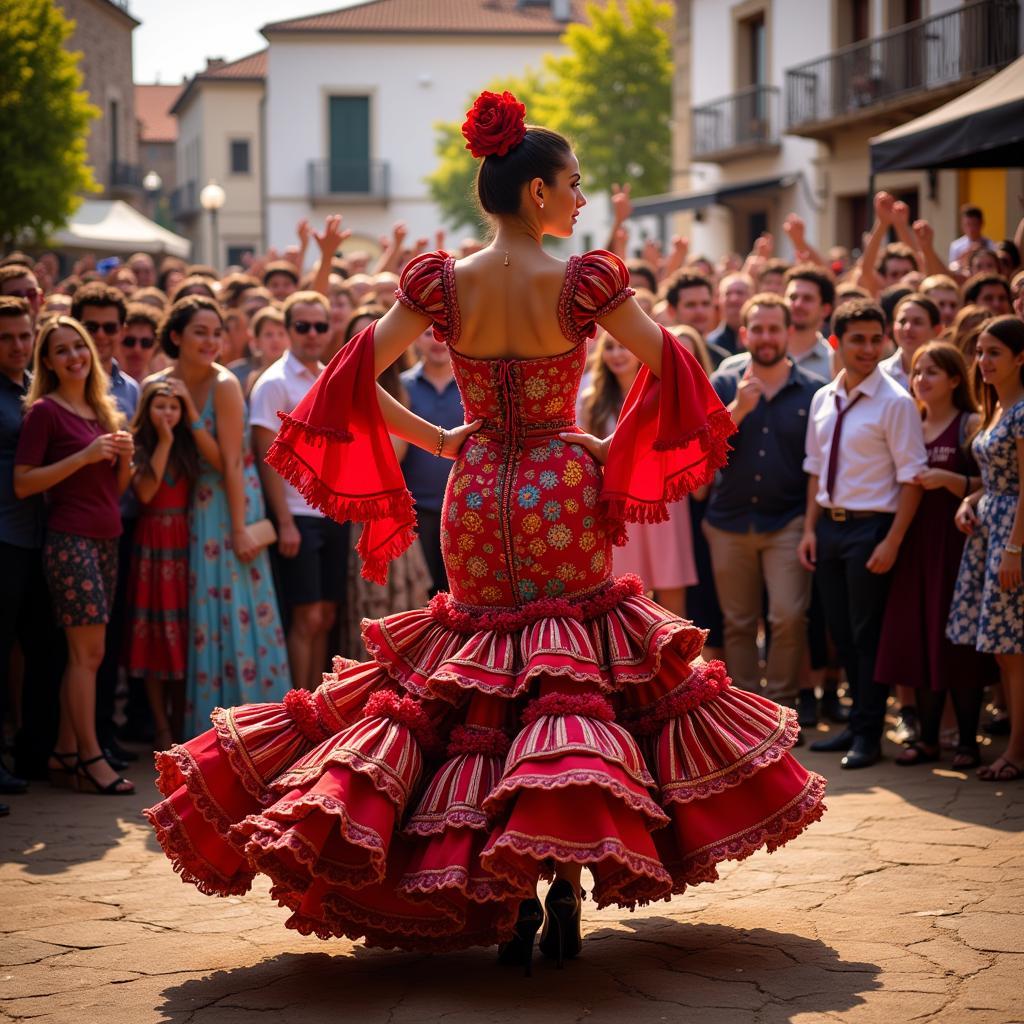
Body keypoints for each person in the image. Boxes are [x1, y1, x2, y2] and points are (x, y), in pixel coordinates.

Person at [144, 92, 825, 964]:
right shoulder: (582, 281)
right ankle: (563, 880)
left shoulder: (442, 281)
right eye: (572, 184)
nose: (580, 199)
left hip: (472, 491)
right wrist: (611, 445)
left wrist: (435, 437)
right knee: (565, 676)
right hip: (556, 487)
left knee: (481, 688)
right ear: (537, 192)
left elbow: (349, 378)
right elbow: (675, 364)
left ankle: (498, 888)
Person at [151, 296, 292, 737]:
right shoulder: (159, 383)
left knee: (239, 608)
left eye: (217, 332)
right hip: (190, 505)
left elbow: (229, 462)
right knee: (203, 609)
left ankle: (254, 726)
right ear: (176, 336)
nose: (211, 341)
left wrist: (238, 528)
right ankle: (203, 728)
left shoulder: (225, 383)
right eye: (200, 332)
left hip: (231, 500)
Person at [799, 299, 927, 769]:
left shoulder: (895, 402)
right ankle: (856, 725)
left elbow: (913, 477)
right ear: (837, 341)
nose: (869, 348)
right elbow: (815, 470)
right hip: (829, 530)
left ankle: (869, 734)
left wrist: (891, 540)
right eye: (858, 339)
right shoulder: (822, 398)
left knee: (867, 632)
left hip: (872, 529)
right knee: (841, 633)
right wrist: (810, 529)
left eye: (877, 339)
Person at [13, 317, 135, 795]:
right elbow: (24, 482)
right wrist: (84, 457)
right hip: (70, 540)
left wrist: (124, 457)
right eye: (61, 350)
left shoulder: (102, 408)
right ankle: (90, 758)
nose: (74, 357)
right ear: (47, 361)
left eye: (78, 347)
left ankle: (66, 751)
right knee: (88, 655)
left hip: (107, 537)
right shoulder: (43, 411)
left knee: (86, 655)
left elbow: (117, 489)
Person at [706, 293, 823, 714]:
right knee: (737, 623)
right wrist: (739, 408)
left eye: (775, 328)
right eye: (758, 329)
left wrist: (810, 526)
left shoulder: (814, 392)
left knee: (789, 617)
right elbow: (702, 448)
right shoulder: (722, 383)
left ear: (789, 332)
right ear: (744, 333)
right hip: (728, 521)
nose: (767, 337)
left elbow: (817, 468)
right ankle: (746, 711)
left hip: (788, 521)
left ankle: (781, 706)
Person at [874, 341, 988, 769]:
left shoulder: (970, 423)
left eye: (932, 372)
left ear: (956, 379)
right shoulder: (910, 420)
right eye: (917, 372)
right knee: (918, 638)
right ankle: (926, 739)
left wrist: (949, 480)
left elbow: (995, 482)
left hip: (956, 545)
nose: (920, 380)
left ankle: (967, 742)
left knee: (957, 642)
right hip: (913, 544)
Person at [250, 291, 350, 691]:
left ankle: (315, 708)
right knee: (305, 617)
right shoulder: (273, 382)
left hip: (331, 514)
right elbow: (266, 457)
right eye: (302, 326)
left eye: (320, 326)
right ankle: (297, 708)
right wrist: (285, 521)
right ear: (288, 329)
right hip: (296, 516)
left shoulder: (330, 376)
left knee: (325, 616)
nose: (312, 334)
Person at [948, 316, 1024, 781]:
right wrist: (971, 499)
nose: (983, 361)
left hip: (1011, 536)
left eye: (994, 352)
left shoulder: (1021, 411)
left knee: (1014, 651)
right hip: (991, 529)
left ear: (1020, 357)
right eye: (979, 352)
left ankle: (1017, 749)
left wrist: (1014, 549)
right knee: (1003, 652)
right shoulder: (997, 407)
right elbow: (1000, 479)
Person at [578, 330, 696, 616]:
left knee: (671, 582)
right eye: (610, 348)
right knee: (625, 590)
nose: (617, 354)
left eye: (624, 347)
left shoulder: (660, 390)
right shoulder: (590, 399)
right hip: (620, 503)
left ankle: (678, 654)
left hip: (662, 501)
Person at [124, 381, 199, 748]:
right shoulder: (139, 444)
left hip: (183, 545)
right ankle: (161, 726)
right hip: (151, 545)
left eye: (174, 406)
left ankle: (179, 718)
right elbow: (146, 492)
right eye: (160, 406)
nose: (167, 413)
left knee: (182, 634)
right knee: (152, 634)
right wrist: (164, 441)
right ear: (146, 409)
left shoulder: (189, 445)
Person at [0, 298, 49, 795]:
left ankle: (34, 755)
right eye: (6, 338)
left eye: (23, 336)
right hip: (4, 536)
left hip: (39, 537)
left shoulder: (35, 387)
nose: (17, 346)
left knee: (40, 650)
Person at [400, 325, 465, 595]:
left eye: (443, 333)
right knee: (422, 598)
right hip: (415, 512)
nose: (437, 341)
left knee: (459, 594)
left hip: (463, 509)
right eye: (428, 333)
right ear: (416, 338)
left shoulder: (471, 386)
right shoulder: (402, 387)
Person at [718, 265, 835, 382]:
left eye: (807, 298)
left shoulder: (834, 363)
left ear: (825, 309)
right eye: (793, 297)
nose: (798, 304)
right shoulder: (731, 371)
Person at [882, 294, 941, 391]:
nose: (907, 328)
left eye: (917, 322)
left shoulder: (947, 373)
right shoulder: (881, 373)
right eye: (902, 321)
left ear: (936, 330)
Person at [706, 273, 753, 356]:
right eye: (728, 293)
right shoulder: (709, 346)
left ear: (752, 297)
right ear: (719, 300)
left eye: (740, 293)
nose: (733, 299)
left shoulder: (762, 341)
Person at [119, 303, 161, 383]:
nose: (137, 349)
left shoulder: (162, 385)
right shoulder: (104, 382)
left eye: (146, 343)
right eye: (129, 341)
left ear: (156, 345)